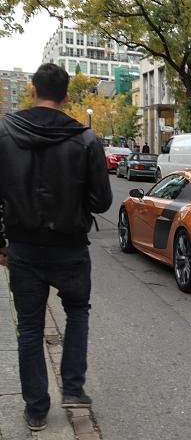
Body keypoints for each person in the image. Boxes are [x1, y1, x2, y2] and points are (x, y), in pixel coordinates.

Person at [0, 63, 112, 431]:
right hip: (70, 248)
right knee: (78, 313)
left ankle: (35, 409)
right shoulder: (85, 139)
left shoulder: (4, 132)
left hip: (23, 247)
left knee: (29, 328)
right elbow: (100, 202)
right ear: (66, 97)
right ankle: (74, 389)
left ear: (32, 90)